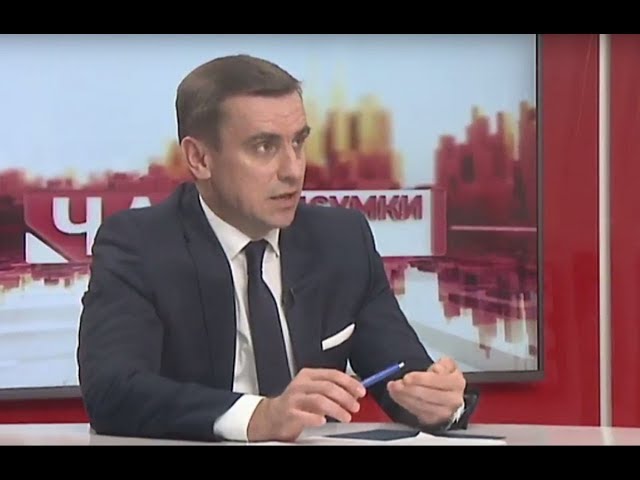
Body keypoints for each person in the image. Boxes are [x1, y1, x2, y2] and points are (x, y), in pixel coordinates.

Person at [76, 54, 470, 443]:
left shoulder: (342, 240)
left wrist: (437, 401)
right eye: (264, 147)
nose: (293, 169)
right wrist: (257, 416)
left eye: (298, 142)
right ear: (200, 158)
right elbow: (113, 391)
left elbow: (403, 371)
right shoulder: (139, 245)